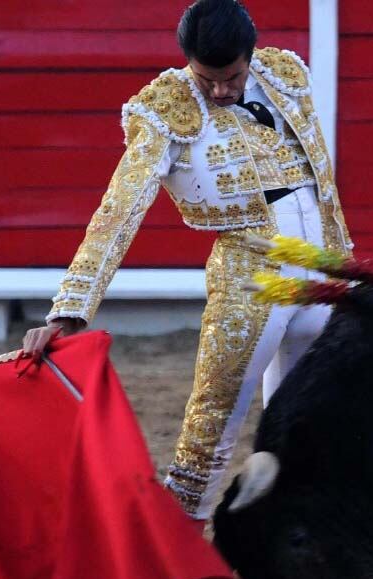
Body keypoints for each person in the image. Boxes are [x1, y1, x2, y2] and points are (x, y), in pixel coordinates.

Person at [22, 0, 352, 519]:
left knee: (314, 429)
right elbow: (120, 207)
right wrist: (70, 309)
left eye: (232, 76)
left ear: (251, 55)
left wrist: (343, 266)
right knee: (210, 432)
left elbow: (319, 181)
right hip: (252, 278)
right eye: (207, 79)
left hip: (322, 273)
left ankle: (294, 557)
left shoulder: (284, 75)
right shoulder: (167, 108)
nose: (220, 90)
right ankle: (178, 567)